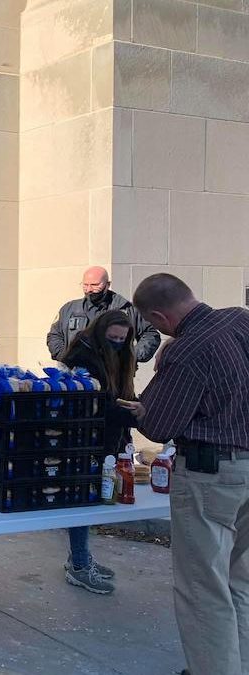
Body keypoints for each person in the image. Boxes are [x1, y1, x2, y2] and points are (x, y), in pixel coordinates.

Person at [121, 273, 249, 675]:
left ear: (159, 316)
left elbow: (159, 425)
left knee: (203, 588)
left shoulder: (189, 351)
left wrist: (144, 406)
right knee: (240, 581)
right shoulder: (240, 319)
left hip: (214, 475)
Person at [58, 310, 139, 595]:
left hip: (107, 435)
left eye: (122, 339)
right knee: (84, 501)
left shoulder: (118, 355)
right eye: (113, 338)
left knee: (91, 499)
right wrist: (134, 415)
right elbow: (98, 403)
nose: (118, 343)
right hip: (87, 436)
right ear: (101, 332)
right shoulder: (83, 356)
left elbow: (118, 395)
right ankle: (79, 563)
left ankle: (80, 557)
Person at [47, 266, 160, 363]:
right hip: (77, 377)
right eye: (85, 285)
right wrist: (65, 356)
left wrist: (130, 356)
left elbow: (151, 334)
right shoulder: (69, 309)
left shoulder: (126, 309)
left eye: (95, 285)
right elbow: (54, 335)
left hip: (115, 377)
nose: (89, 289)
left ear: (107, 285)